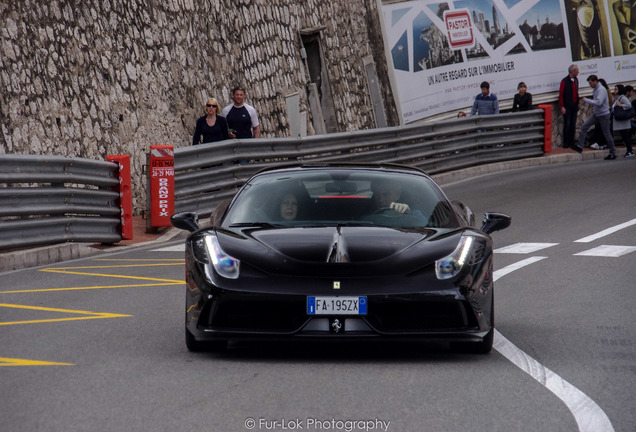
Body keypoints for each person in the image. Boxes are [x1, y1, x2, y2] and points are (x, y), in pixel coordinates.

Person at [573, 75, 616, 159]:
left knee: (606, 133)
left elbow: (599, 102)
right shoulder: (595, 89)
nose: (590, 85)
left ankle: (613, 152)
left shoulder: (601, 90)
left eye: (590, 83)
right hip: (597, 114)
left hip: (604, 115)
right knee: (584, 126)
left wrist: (586, 100)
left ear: (595, 81)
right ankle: (580, 146)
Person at [559, 64, 580, 149]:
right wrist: (562, 106)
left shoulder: (576, 80)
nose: (578, 72)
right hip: (567, 105)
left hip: (574, 105)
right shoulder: (564, 81)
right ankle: (566, 142)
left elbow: (577, 92)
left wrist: (578, 103)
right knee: (567, 124)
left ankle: (572, 141)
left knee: (573, 124)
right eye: (577, 71)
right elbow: (561, 95)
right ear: (573, 71)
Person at [612, 85, 634, 158]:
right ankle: (629, 150)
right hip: (619, 121)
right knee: (624, 136)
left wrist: (621, 105)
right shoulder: (616, 98)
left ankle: (629, 151)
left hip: (623, 121)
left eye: (616, 89)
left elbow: (629, 105)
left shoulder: (622, 98)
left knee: (625, 136)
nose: (614, 91)